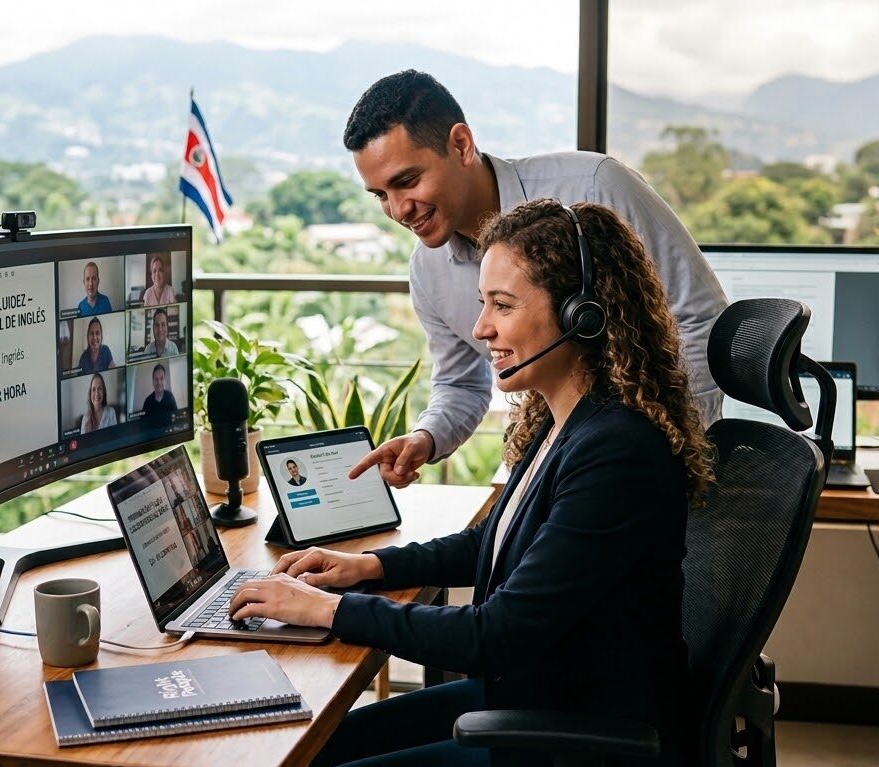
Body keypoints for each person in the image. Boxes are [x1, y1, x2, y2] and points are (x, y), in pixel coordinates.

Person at [229, 200, 713, 767]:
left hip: (573, 736)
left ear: (583, 314)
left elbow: (493, 634)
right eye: (484, 302)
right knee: (316, 745)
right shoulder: (564, 419)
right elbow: (495, 543)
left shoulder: (617, 451)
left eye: (502, 305)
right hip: (534, 696)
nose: (482, 327)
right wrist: (370, 568)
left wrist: (323, 610)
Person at [343, 70, 727, 490]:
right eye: (381, 195)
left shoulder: (596, 186)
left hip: (646, 462)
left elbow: (701, 320)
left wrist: (666, 448)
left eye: (407, 181)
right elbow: (461, 383)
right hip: (551, 466)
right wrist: (425, 438)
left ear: (461, 145)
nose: (398, 210)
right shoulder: (428, 269)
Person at [141, 363, 178, 429]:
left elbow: (176, 417)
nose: (159, 382)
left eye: (161, 378)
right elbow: (143, 425)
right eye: (156, 379)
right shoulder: (147, 401)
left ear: (164, 380)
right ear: (153, 381)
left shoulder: (170, 396)